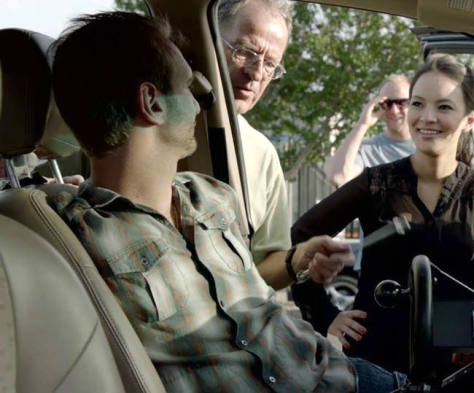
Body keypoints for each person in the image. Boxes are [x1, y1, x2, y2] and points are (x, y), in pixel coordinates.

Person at [49, 11, 406, 393]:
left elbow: (260, 301)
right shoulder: (76, 232)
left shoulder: (214, 196)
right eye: (187, 86)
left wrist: (298, 263)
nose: (203, 97)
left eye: (270, 64)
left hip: (334, 371)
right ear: (152, 103)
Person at [291, 54, 474, 376]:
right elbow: (301, 235)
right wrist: (325, 315)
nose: (426, 117)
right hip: (374, 361)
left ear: (469, 118)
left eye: (444, 106)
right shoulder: (376, 183)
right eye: (417, 104)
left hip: (452, 364)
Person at [217, 0, 297, 289]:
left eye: (271, 65)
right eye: (246, 52)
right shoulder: (145, 124)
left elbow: (266, 266)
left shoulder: (262, 153)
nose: (256, 73)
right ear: (210, 36)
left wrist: (299, 259)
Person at [324, 74, 415, 188]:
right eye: (387, 103)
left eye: (401, 102)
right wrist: (362, 124)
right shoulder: (367, 150)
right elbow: (338, 177)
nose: (394, 110)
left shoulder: (430, 145)